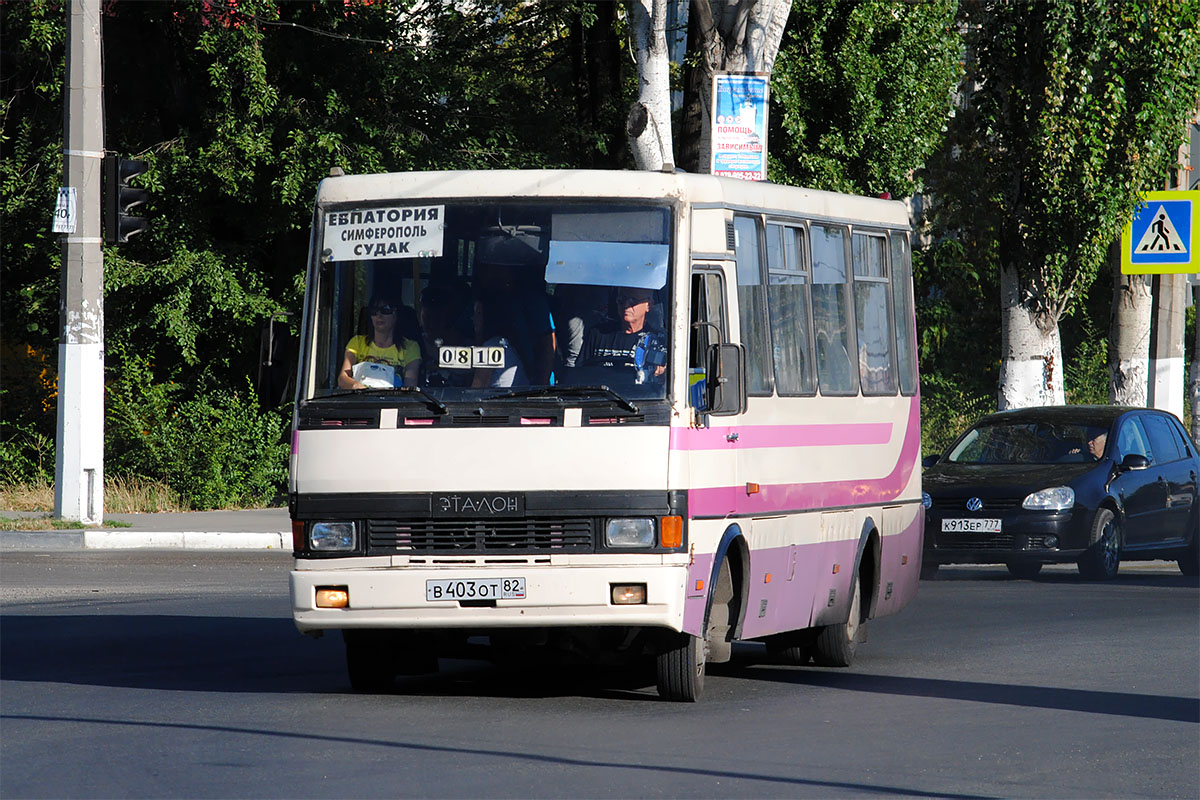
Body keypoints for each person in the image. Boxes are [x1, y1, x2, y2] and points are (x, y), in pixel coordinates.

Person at [574, 286, 666, 385]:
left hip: (642, 398)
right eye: (622, 299)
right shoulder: (597, 334)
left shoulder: (660, 340)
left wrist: (662, 374)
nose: (626, 305)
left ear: (649, 305)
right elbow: (579, 376)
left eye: (633, 301)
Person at [338, 297, 421, 390]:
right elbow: (343, 379)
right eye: (374, 311)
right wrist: (358, 387)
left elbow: (409, 388)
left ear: (396, 314)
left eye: (385, 310)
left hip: (395, 402)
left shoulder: (410, 347)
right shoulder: (357, 343)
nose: (379, 315)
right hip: (360, 401)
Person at [471, 297, 529, 388]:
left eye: (478, 314)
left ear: (487, 316)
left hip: (500, 401)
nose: (473, 318)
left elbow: (476, 391)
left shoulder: (491, 347)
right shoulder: (508, 343)